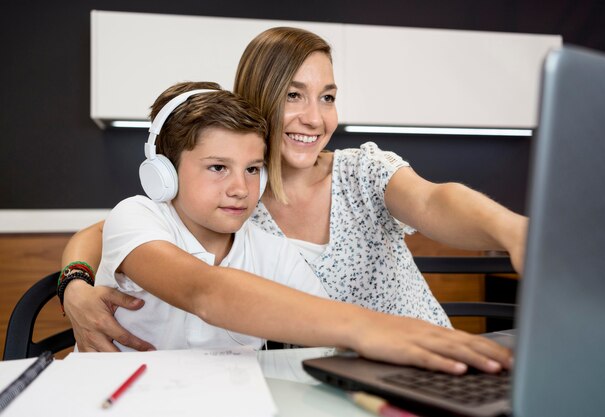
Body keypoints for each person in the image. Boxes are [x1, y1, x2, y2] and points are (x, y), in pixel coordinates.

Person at [61, 27, 526, 374]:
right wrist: (74, 285)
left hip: (410, 354)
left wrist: (512, 230)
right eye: (293, 95)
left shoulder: (354, 175)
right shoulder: (219, 216)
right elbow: (128, 245)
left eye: (327, 96)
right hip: (349, 362)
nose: (315, 117)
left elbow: (432, 202)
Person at [83, 81, 329, 350]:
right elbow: (204, 292)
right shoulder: (135, 217)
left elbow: (325, 319)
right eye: (218, 167)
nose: (240, 189)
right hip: (123, 389)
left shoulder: (274, 251)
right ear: (166, 173)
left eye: (252, 169)